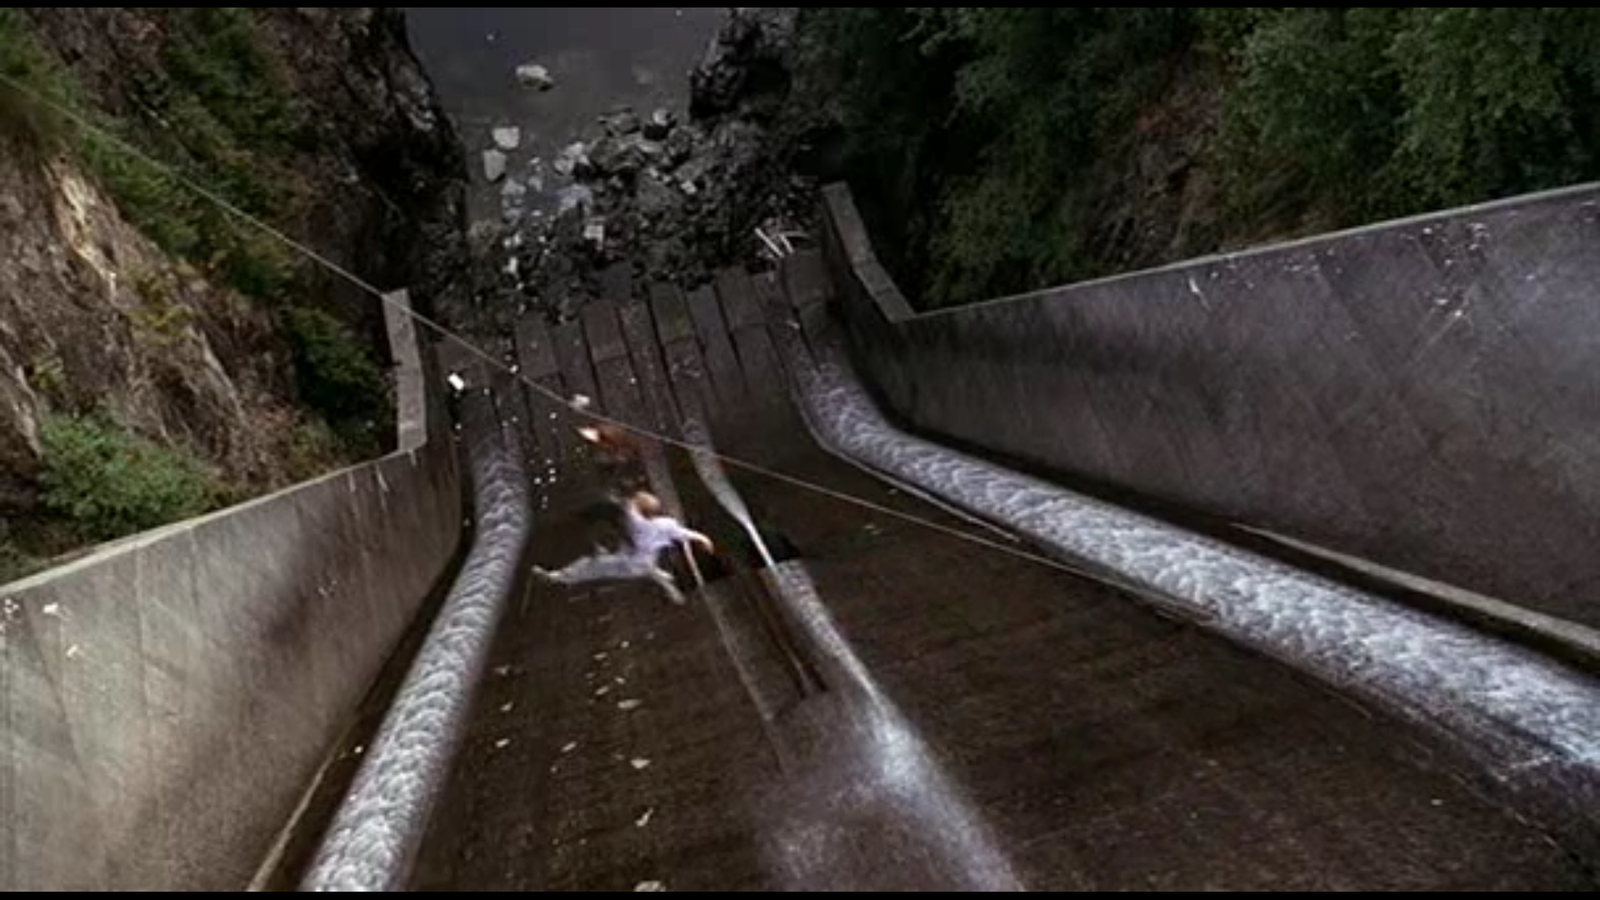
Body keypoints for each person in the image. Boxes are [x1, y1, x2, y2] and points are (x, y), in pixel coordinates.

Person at [533, 490, 715, 605]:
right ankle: (667, 584)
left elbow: (628, 508)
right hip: (641, 560)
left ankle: (555, 577)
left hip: (629, 563)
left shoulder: (637, 523)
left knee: (590, 565)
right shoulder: (664, 524)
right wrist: (704, 539)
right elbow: (685, 533)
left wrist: (624, 500)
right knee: (648, 569)